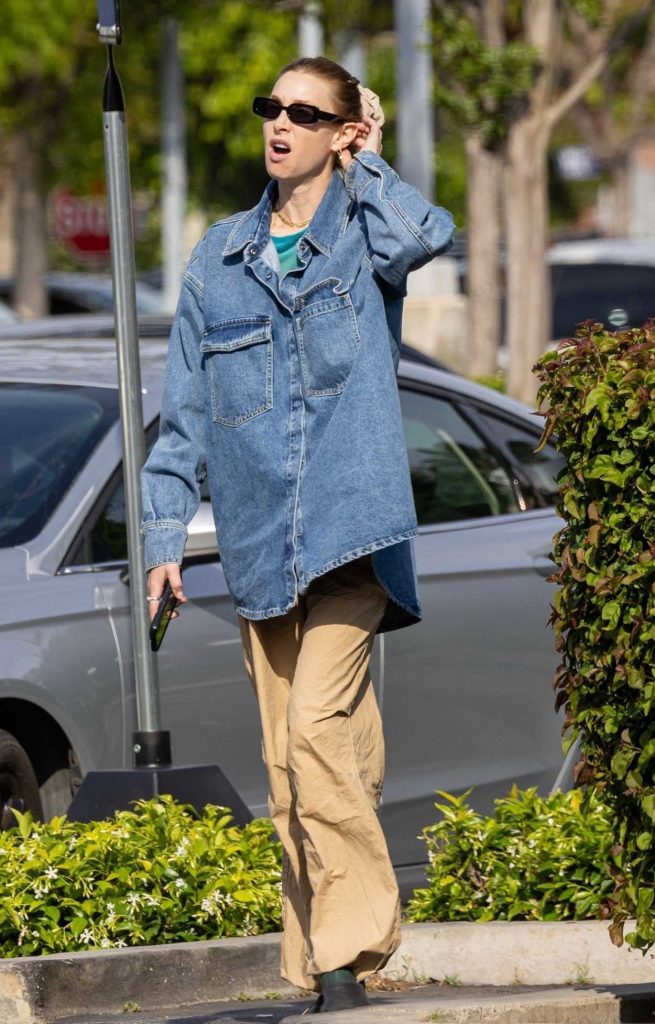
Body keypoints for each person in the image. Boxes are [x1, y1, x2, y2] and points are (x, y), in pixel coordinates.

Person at [142, 57, 454, 1014]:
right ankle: (323, 960)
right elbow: (183, 412)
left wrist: (372, 159)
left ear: (338, 130)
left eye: (305, 113)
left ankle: (342, 955)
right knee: (298, 757)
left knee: (316, 731)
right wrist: (161, 535)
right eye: (270, 108)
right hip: (258, 543)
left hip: (352, 536)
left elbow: (429, 235)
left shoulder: (366, 231)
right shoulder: (217, 256)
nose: (280, 124)